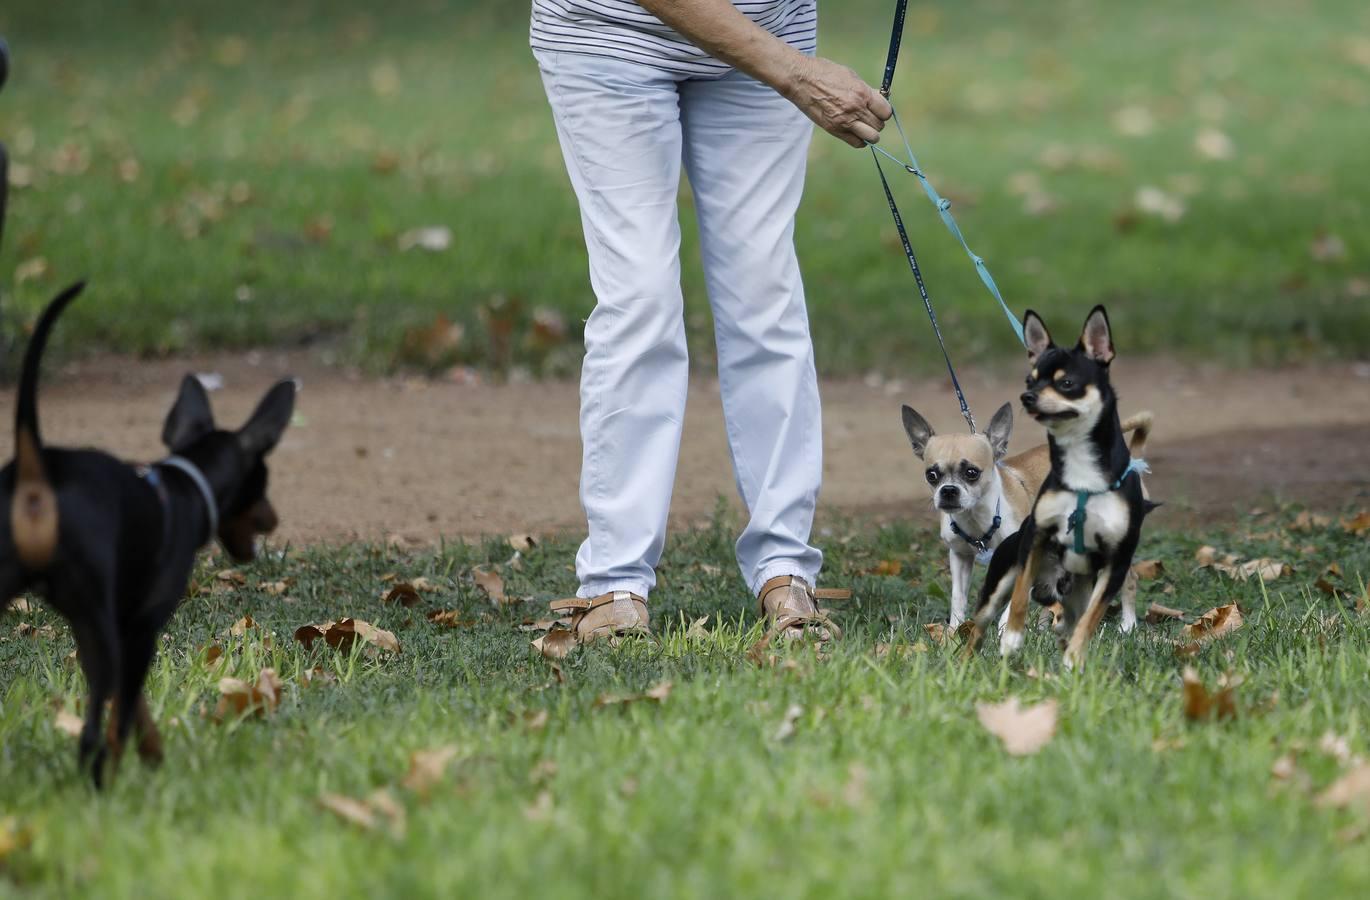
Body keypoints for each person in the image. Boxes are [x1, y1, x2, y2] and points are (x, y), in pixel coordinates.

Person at [532, 0, 892, 640]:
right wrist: (797, 75)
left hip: (772, 32)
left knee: (765, 291)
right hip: (608, 37)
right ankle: (614, 583)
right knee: (639, 296)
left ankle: (786, 569)